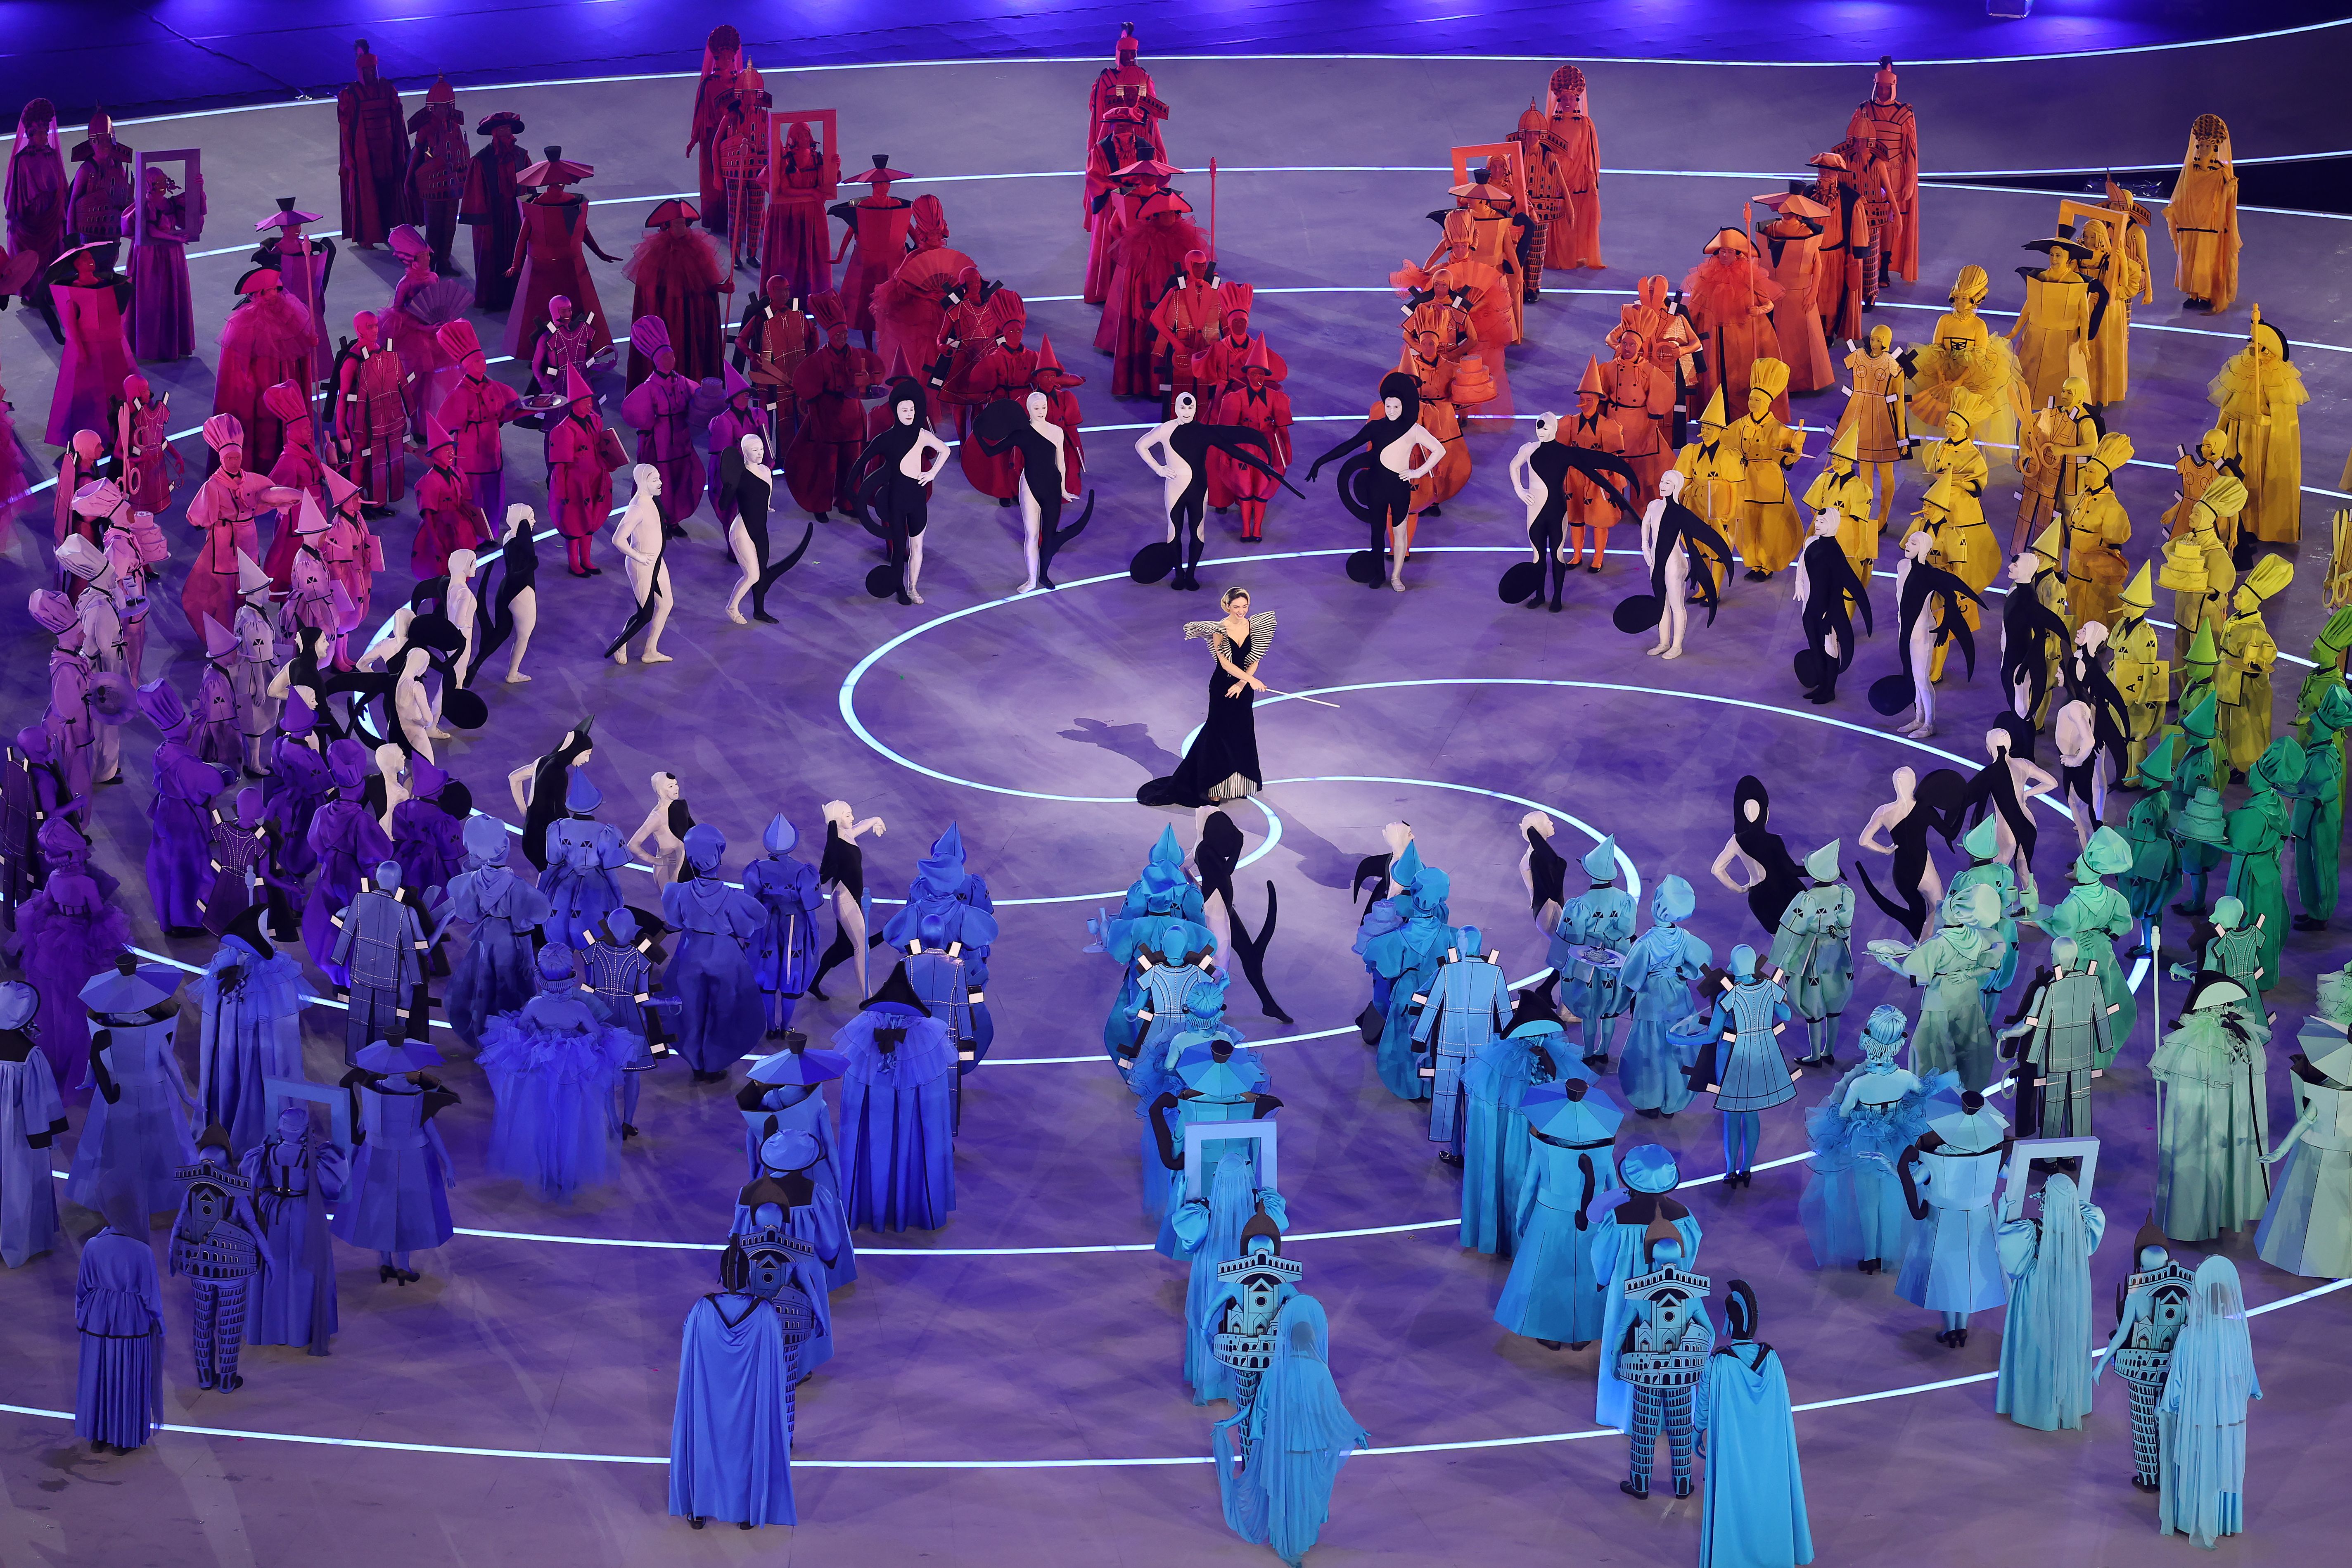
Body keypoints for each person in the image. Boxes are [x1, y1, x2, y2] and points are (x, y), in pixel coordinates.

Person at [668, 1224, 813, 1531]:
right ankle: (746, 1511)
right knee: (746, 1448)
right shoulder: (764, 1313)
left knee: (704, 1443)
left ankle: (699, 1509)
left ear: (721, 1276)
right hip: (749, 1403)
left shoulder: (701, 1310)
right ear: (749, 1275)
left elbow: (689, 1348)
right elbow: (776, 1362)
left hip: (708, 1399)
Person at [480, 944, 635, 1202]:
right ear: (570, 975)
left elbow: (521, 1029)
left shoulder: (535, 1005)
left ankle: (546, 1172)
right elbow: (597, 1035)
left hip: (542, 1073)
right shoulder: (579, 1008)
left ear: (540, 975)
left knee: (543, 1122)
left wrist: (542, 1038)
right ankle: (569, 1174)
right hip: (573, 1074)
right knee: (573, 1121)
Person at [1800, 1006, 1936, 1274]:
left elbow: (1842, 1113)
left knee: (1867, 1201)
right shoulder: (1905, 1078)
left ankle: (1871, 1255)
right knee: (1893, 1197)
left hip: (1864, 1143)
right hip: (1897, 1141)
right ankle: (1889, 1253)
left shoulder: (1859, 1085)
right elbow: (1924, 1090)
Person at [65, 957, 196, 1231]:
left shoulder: (104, 1020)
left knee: (116, 1148)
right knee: (163, 1144)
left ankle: (117, 1200)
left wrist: (91, 1082)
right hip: (155, 1089)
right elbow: (170, 1064)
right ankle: (160, 1200)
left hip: (116, 1092)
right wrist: (186, 1096)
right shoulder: (158, 1023)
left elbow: (95, 1059)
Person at [1492, 1075, 1622, 1349]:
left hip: (1549, 1215)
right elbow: (1614, 1187)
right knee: (1589, 1275)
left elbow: (1528, 1187)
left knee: (1547, 1273)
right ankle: (1584, 1334)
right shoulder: (1604, 1142)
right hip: (1593, 1217)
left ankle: (1550, 1333)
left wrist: (1520, 1220)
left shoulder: (1543, 1144)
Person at [1697, 1280, 1814, 1568]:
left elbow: (1702, 1408)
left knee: (1735, 1500)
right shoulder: (1772, 1359)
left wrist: (1697, 1432)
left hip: (1733, 1452)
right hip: (1770, 1452)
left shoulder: (1719, 1363)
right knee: (1769, 1498)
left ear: (1728, 1320)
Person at [2148, 974, 2272, 1242]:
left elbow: (2172, 1076)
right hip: (2215, 1114)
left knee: (2209, 1149)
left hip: (2215, 1113)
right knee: (2210, 1149)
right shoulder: (2231, 1033)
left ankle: (2207, 1214)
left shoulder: (2214, 1034)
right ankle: (2212, 1213)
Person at [835, 965, 956, 1231]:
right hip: (903, 1091)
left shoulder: (861, 1031)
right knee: (918, 1134)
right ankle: (910, 1207)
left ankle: (866, 1206)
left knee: (869, 1138)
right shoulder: (928, 1037)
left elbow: (852, 1103)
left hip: (874, 1092)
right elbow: (934, 1114)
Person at [332, 1036, 457, 1283]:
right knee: (408, 1211)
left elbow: (361, 1129)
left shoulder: (372, 1091)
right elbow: (432, 1132)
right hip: (414, 1158)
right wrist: (448, 1163)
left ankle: (386, 1263)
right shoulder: (419, 1095)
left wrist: (352, 1160)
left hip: (376, 1157)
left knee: (379, 1209)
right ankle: (404, 1267)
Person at [1136, 589, 1275, 809]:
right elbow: (1225, 664)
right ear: (1227, 606)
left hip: (1242, 689)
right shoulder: (1219, 630)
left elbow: (1255, 658)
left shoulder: (1253, 626)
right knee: (1219, 736)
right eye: (1237, 607)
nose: (1241, 611)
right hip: (1223, 688)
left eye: (1245, 607)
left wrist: (1243, 684)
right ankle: (1213, 788)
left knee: (1242, 734)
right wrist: (1250, 680)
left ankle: (1236, 785)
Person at [1895, 1089, 2009, 1347]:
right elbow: (2007, 1173)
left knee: (1945, 1277)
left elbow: (1912, 1180)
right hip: (1980, 1219)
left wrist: (1894, 1167)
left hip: (1943, 1220)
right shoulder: (1991, 1151)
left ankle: (1949, 1330)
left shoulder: (1937, 1156)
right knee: (1970, 1276)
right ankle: (1962, 1328)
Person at [1996, 1170, 2107, 1430]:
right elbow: (2096, 1214)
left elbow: (2010, 1257)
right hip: (2069, 1290)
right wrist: (2069, 1203)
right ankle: (2064, 1406)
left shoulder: (2031, 1229)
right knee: (2064, 1343)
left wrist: (2002, 1217)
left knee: (2036, 1344)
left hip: (2037, 1290)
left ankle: (2036, 1409)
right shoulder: (2081, 1229)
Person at [195, 906, 304, 1155]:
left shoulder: (274, 974)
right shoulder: (229, 967)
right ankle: (238, 1112)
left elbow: (282, 1030)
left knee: (259, 1061)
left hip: (256, 1038)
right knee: (238, 1058)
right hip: (239, 1034)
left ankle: (250, 1113)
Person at [662, 825, 767, 1082]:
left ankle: (695, 1062)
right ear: (719, 858)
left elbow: (675, 921)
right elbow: (748, 929)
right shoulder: (734, 898)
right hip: (726, 958)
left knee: (690, 1010)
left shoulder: (678, 892)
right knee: (724, 1011)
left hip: (691, 954)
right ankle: (715, 1061)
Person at [443, 813, 554, 1048]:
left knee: (482, 983)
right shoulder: (517, 885)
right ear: (504, 847)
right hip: (510, 939)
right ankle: (508, 1039)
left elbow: (469, 912)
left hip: (486, 935)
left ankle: (481, 1031)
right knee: (511, 986)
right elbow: (533, 918)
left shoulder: (473, 880)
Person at [1617, 875, 1710, 1117]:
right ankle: (1674, 1102)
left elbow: (1631, 978)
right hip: (1678, 1000)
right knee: (1676, 1052)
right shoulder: (1685, 938)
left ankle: (1649, 1101)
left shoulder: (1646, 943)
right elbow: (1704, 961)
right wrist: (1681, 970)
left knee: (1649, 1053)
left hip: (1651, 1003)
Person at [74, 1223, 164, 1453]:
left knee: (99, 1373)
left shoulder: (92, 1245)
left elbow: (83, 1289)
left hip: (97, 1316)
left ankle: (98, 1436)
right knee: (127, 1374)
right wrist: (160, 1324)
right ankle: (123, 1438)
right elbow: (150, 1295)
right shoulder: (142, 1250)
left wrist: (82, 1318)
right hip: (130, 1318)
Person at [0, 982, 64, 1268]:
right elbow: (39, 1100)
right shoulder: (29, 1054)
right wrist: (44, 1137)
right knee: (18, 1183)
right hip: (18, 1134)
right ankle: (20, 1243)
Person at [744, 814, 823, 1034]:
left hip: (766, 925)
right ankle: (786, 1027)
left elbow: (751, 904)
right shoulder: (804, 873)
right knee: (791, 975)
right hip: (795, 926)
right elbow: (811, 909)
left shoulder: (756, 870)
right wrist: (815, 935)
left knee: (767, 977)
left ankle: (770, 1026)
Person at [2166, 114, 2239, 313]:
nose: (2203, 149)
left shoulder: (2221, 173)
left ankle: (2206, 295)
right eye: (2200, 146)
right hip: (2189, 222)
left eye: (2207, 146)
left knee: (2205, 260)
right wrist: (2173, 210)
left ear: (2215, 148)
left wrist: (2229, 189)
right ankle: (2192, 294)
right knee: (2189, 259)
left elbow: (2226, 202)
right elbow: (2182, 195)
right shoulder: (2191, 171)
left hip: (2210, 224)